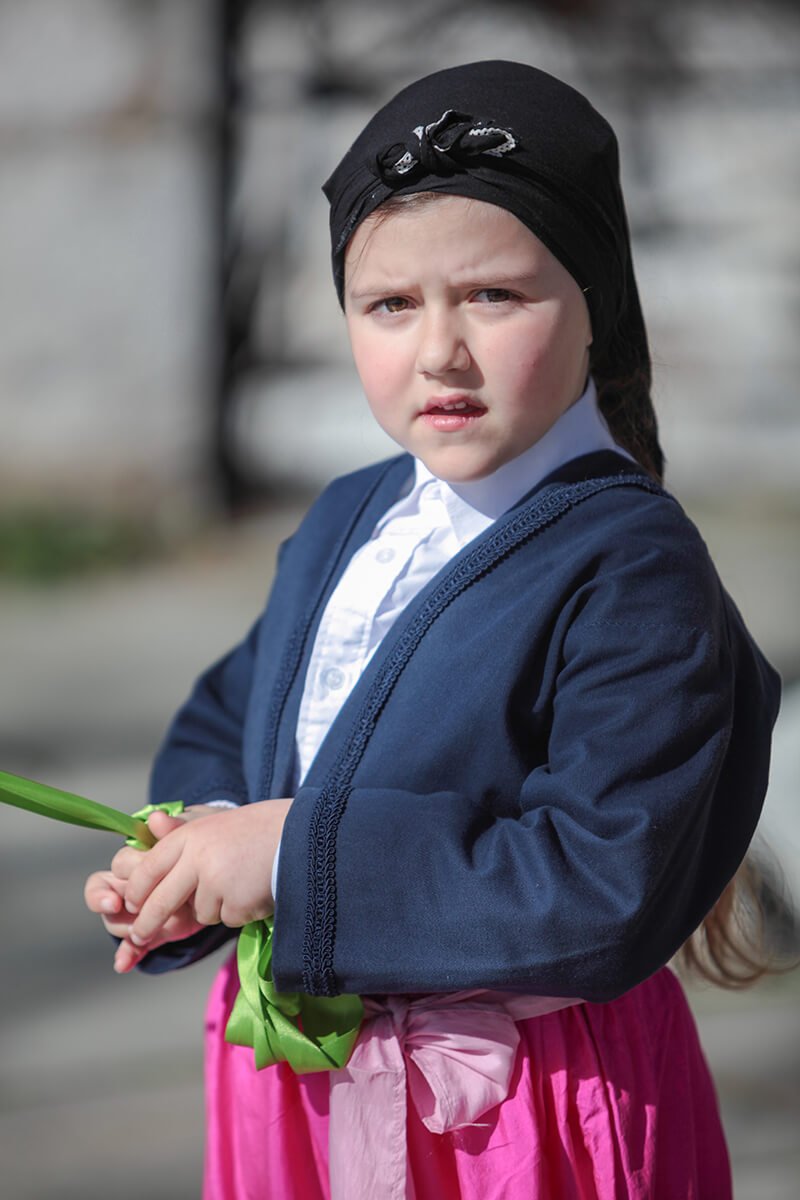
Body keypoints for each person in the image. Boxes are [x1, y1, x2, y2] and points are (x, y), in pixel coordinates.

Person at [84, 60, 782, 1199]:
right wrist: (192, 849)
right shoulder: (346, 518)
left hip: (512, 1113)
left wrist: (289, 860)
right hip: (300, 1081)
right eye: (389, 305)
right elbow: (238, 713)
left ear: (594, 303)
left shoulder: (634, 571)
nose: (438, 350)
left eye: (493, 296)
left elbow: (597, 883)